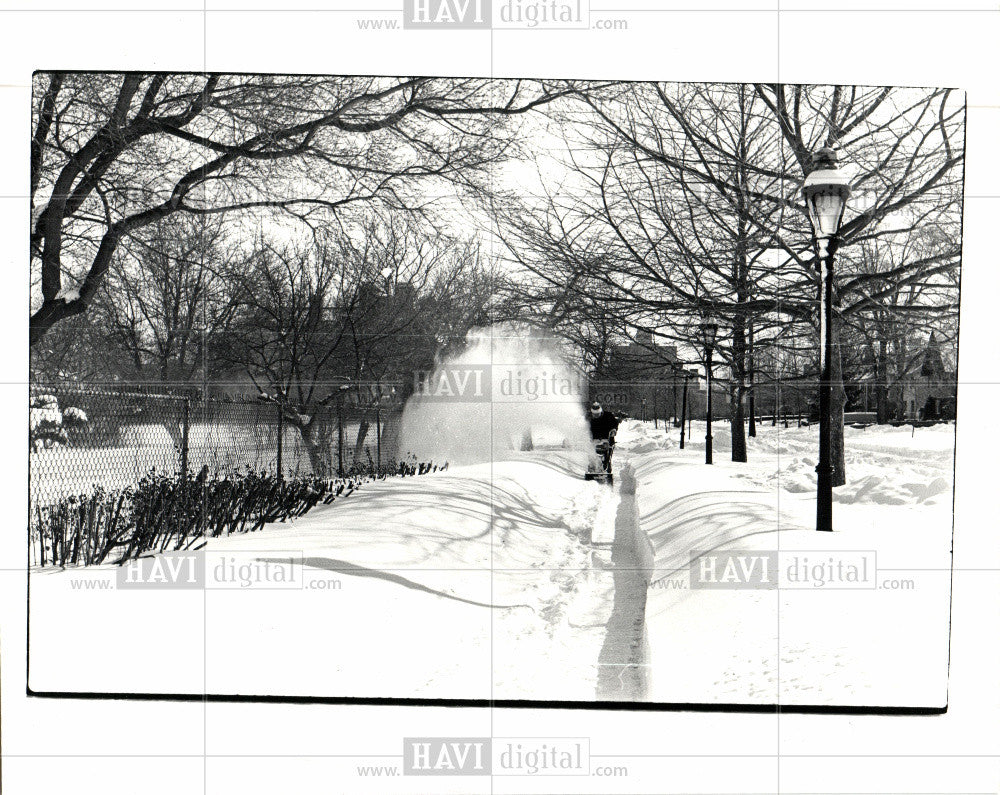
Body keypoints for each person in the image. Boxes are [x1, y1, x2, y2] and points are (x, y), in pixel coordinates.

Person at [588, 401, 620, 473]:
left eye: (597, 414)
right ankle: (592, 468)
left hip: (607, 439)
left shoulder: (608, 416)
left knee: (607, 455)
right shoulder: (589, 417)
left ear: (601, 412)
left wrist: (614, 430)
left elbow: (614, 424)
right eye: (594, 414)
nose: (596, 416)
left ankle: (607, 468)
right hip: (594, 439)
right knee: (592, 454)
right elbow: (584, 426)